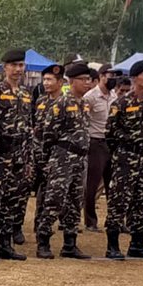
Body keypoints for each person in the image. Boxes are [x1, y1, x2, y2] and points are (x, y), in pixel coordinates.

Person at [33, 62, 93, 260]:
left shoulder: (84, 104)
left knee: (75, 201)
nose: (87, 83)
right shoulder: (62, 103)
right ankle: (43, 240)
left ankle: (70, 243)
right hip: (62, 157)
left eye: (89, 79)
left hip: (80, 157)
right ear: (72, 81)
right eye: (83, 80)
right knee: (55, 200)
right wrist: (50, 159)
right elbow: (48, 134)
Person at [104, 59, 143, 261]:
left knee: (142, 200)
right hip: (126, 158)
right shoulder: (122, 103)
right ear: (136, 77)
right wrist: (124, 150)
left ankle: (137, 243)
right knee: (120, 200)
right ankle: (112, 245)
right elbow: (109, 133)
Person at [0, 48, 32, 261]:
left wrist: (29, 158)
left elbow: (29, 127)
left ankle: (5, 244)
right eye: (14, 65)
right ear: (5, 68)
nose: (18, 69)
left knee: (12, 200)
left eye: (21, 65)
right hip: (0, 153)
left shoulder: (26, 93)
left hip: (19, 154)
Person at [82, 67, 114, 232]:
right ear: (102, 76)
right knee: (92, 184)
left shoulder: (114, 96)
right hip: (95, 142)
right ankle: (90, 220)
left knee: (112, 184)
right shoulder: (90, 97)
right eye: (110, 76)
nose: (113, 78)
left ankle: (113, 220)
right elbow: (84, 121)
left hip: (111, 142)